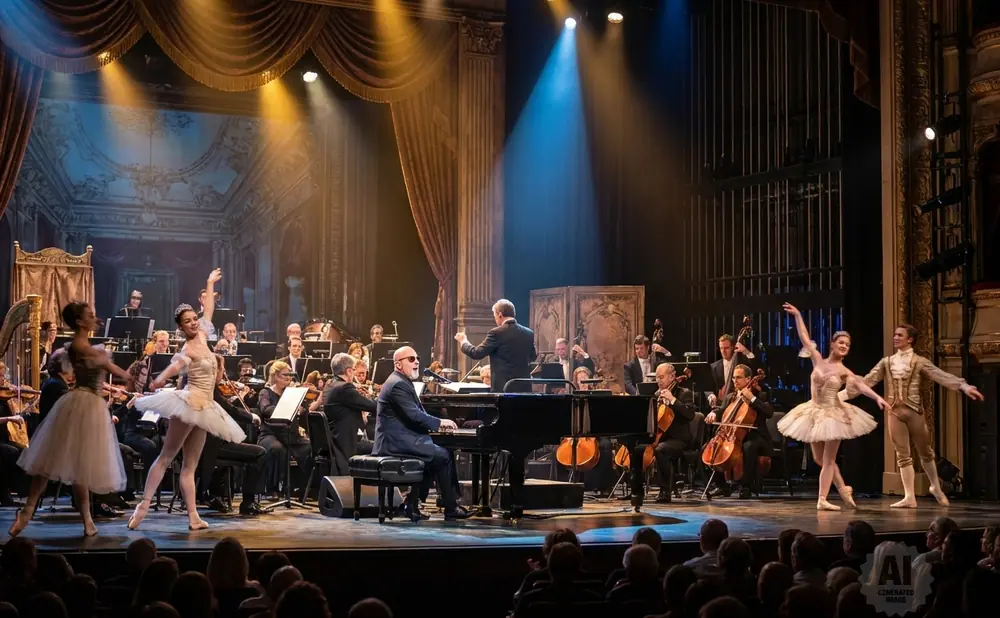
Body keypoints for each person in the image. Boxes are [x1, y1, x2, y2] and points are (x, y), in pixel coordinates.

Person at [129, 268, 247, 531]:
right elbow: (175, 367)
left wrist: (208, 282)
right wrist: (158, 381)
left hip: (206, 406)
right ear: (180, 327)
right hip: (190, 403)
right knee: (167, 456)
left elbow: (209, 311)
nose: (194, 322)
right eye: (188, 321)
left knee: (190, 466)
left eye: (194, 319)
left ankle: (193, 516)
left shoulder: (204, 335)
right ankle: (143, 506)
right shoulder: (187, 349)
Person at [9, 302, 131, 537]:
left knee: (81, 467)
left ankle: (87, 520)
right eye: (89, 315)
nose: (94, 317)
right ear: (79, 321)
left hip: (92, 404)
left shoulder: (89, 345)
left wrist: (124, 373)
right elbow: (101, 360)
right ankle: (27, 510)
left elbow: (110, 368)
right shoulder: (78, 344)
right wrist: (111, 361)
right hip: (81, 404)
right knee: (49, 459)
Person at [847, 324, 984, 508]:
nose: (895, 337)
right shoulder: (886, 362)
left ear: (910, 339)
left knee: (925, 451)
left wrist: (964, 386)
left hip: (914, 411)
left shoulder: (919, 361)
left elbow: (939, 374)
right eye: (894, 334)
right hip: (895, 411)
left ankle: (935, 486)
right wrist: (843, 391)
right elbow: (868, 381)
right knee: (903, 455)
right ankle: (909, 497)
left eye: (899, 335)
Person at [777, 303, 887, 511]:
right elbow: (804, 337)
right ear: (832, 344)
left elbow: (861, 386)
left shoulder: (845, 371)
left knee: (828, 459)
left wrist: (877, 398)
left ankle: (822, 499)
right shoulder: (818, 360)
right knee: (819, 458)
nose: (844, 346)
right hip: (813, 411)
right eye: (841, 342)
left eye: (847, 344)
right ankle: (843, 489)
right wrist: (799, 315)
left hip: (834, 414)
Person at [373, 346, 470, 521]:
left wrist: (437, 425)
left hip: (402, 439)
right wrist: (440, 423)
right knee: (442, 455)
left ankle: (413, 504)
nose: (416, 361)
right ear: (398, 364)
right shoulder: (397, 384)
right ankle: (450, 507)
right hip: (394, 442)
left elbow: (417, 414)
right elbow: (414, 415)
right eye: (411, 359)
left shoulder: (402, 381)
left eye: (417, 357)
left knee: (437, 453)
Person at [705, 364, 773, 498]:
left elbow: (769, 412)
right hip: (734, 435)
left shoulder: (760, 393)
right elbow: (722, 410)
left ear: (748, 379)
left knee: (749, 447)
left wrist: (752, 398)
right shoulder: (731, 396)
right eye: (734, 378)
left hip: (756, 435)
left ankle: (746, 486)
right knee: (708, 448)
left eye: (739, 378)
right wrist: (713, 413)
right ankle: (722, 486)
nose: (735, 381)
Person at [455, 299, 536, 393]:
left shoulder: (496, 333)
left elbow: (476, 353)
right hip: (524, 390)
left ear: (500, 315)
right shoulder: (529, 333)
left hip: (504, 390)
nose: (495, 319)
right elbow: (533, 356)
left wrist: (463, 341)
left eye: (494, 315)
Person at [324, 353, 376, 475]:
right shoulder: (345, 388)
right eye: (353, 370)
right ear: (348, 371)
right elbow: (371, 406)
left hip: (336, 440)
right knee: (384, 448)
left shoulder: (330, 385)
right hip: (347, 443)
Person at [651, 363, 695, 503]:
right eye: (657, 377)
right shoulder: (657, 395)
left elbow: (690, 415)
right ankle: (636, 490)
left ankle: (665, 490)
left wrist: (673, 400)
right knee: (637, 448)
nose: (658, 380)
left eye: (662, 377)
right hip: (661, 437)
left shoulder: (684, 393)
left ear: (672, 376)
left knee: (661, 450)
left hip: (679, 439)